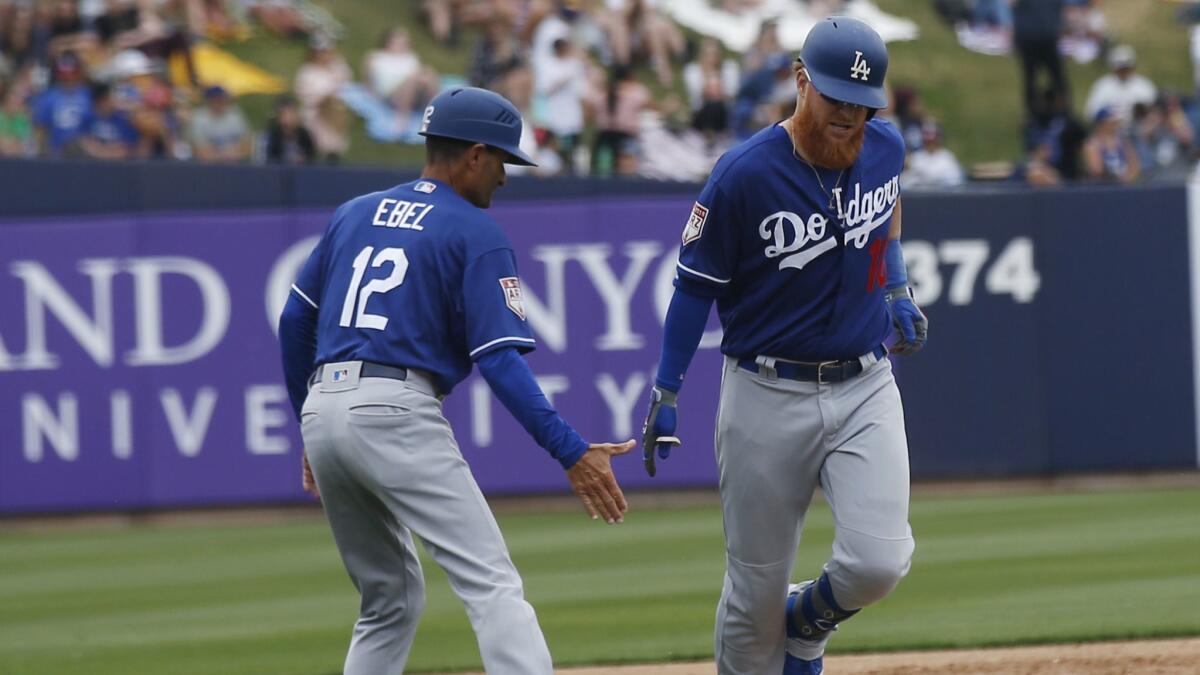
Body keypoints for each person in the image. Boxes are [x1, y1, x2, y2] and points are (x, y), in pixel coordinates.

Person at [278, 86, 634, 674]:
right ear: (473, 155)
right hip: (394, 406)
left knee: (386, 601)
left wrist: (307, 424)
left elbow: (295, 321)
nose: (504, 177)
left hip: (323, 406)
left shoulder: (354, 212)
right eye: (501, 160)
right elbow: (498, 360)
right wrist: (571, 451)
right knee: (491, 584)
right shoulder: (474, 231)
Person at [641, 17, 924, 675]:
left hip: (864, 381)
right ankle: (776, 631)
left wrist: (898, 288)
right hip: (765, 391)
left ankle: (807, 623)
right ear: (800, 81)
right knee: (753, 594)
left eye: (862, 104)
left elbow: (889, 214)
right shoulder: (742, 174)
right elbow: (692, 288)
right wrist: (667, 387)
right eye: (835, 99)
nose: (850, 117)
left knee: (879, 559)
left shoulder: (883, 147)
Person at [1012, 0, 1067, 119]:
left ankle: (1062, 111)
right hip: (1035, 35)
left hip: (1040, 35)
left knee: (1052, 77)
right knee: (1034, 77)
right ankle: (1035, 114)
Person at [1083, 44, 1157, 130]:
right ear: (1113, 67)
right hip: (1109, 132)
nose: (1123, 71)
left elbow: (1154, 113)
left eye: (1126, 67)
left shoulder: (1144, 86)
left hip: (1139, 131)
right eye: (1120, 67)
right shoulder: (1102, 86)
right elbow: (1090, 113)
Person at [189, 85, 251, 162]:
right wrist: (220, 156)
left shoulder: (235, 115)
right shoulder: (199, 117)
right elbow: (198, 148)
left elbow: (247, 144)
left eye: (221, 99)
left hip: (234, 164)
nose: (218, 102)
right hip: (207, 166)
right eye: (214, 99)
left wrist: (233, 152)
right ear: (208, 101)